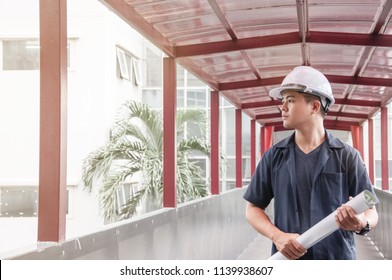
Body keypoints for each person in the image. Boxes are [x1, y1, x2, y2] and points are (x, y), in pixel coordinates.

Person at [243, 66, 378, 260]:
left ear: (315, 106)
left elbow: (371, 211)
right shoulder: (274, 156)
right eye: (283, 101)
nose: (283, 107)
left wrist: (361, 223)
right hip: (289, 263)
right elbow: (253, 208)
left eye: (290, 100)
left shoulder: (347, 156)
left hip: (336, 262)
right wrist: (277, 236)